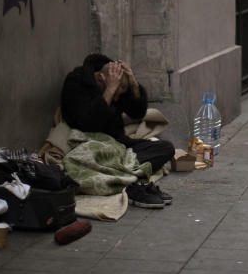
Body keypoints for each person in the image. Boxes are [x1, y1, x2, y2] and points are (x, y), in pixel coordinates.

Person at [60, 53, 174, 208]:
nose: (117, 98)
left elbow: (137, 113)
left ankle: (127, 179)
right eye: (116, 92)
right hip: (93, 146)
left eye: (121, 92)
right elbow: (88, 123)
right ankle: (133, 185)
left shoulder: (118, 82)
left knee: (166, 148)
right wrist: (109, 91)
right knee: (102, 161)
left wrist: (134, 85)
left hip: (118, 145)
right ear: (100, 78)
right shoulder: (76, 82)